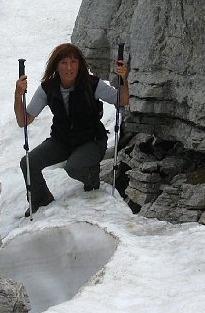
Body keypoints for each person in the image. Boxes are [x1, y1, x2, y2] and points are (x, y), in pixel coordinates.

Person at [15, 43, 129, 215]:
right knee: (28, 162)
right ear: (56, 66)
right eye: (63, 63)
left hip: (91, 140)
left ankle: (92, 177)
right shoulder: (48, 88)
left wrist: (123, 79)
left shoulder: (92, 84)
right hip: (61, 141)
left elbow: (121, 100)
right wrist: (18, 95)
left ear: (80, 64)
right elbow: (24, 120)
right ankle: (41, 199)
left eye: (73, 62)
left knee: (73, 167)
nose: (69, 67)